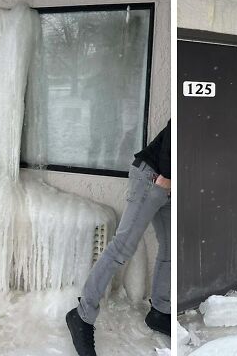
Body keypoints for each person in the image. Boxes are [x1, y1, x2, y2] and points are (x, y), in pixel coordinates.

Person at [66, 120, 171, 355]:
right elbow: (178, 127)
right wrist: (166, 176)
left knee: (171, 247)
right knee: (122, 247)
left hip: (169, 181)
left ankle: (161, 312)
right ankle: (81, 314)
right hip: (154, 177)